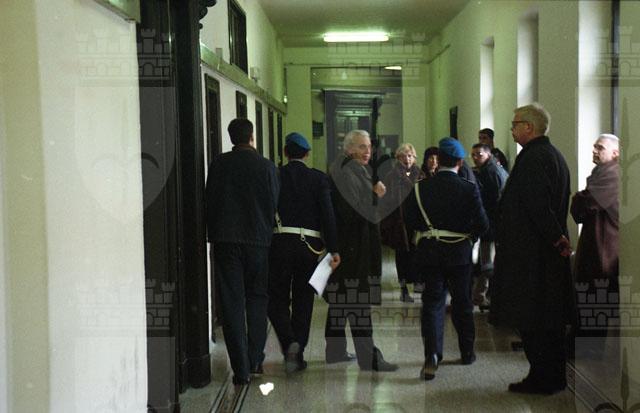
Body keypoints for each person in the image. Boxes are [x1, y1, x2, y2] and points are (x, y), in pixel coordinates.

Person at [491, 103, 572, 395]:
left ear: (529, 127)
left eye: (515, 124)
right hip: (541, 254)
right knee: (548, 322)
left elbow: (538, 206)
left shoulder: (534, 158)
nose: (511, 129)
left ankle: (543, 378)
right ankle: (552, 377)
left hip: (532, 257)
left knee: (533, 321)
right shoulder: (551, 155)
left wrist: (555, 237)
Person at [405, 137, 489, 381]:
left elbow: (410, 220)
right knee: (462, 303)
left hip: (429, 253)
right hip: (460, 253)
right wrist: (468, 237)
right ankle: (467, 351)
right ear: (460, 163)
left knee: (432, 303)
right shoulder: (469, 188)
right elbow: (483, 225)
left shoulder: (419, 188)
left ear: (438, 160)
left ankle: (432, 355)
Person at [206, 118, 279, 386]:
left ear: (231, 138)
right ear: (252, 137)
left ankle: (241, 369)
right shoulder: (266, 166)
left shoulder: (219, 164)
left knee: (232, 302)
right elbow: (273, 201)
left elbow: (210, 200)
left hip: (226, 241)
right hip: (258, 241)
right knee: (257, 297)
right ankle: (255, 357)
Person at [324, 129, 398, 372]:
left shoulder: (352, 169)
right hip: (354, 249)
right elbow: (351, 212)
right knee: (358, 303)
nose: (367, 151)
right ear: (348, 149)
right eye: (361, 147)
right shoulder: (346, 173)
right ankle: (369, 359)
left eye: (369, 147)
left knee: (341, 299)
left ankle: (335, 351)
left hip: (351, 247)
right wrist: (375, 195)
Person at [268, 132, 341, 373]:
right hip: (309, 247)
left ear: (285, 152)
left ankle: (288, 340)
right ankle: (297, 352)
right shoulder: (318, 179)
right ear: (307, 154)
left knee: (276, 298)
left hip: (279, 244)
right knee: (304, 299)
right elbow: (328, 215)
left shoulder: (275, 175)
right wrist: (334, 248)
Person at [570, 134, 620, 351]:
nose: (594, 151)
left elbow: (585, 203)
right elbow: (580, 209)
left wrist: (579, 197)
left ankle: (588, 350)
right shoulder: (601, 174)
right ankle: (584, 347)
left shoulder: (613, 175)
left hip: (604, 247)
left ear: (615, 153)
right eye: (594, 147)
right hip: (596, 243)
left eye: (600, 148)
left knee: (596, 296)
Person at [380, 143, 425, 302]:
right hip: (399, 221)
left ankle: (418, 283)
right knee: (402, 256)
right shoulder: (391, 176)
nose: (407, 159)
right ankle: (403, 288)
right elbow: (385, 201)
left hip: (417, 220)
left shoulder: (420, 174)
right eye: (403, 156)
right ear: (398, 158)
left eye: (410, 156)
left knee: (418, 253)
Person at [470, 143, 508, 308]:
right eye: (473, 155)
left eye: (479, 154)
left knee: (487, 263)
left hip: (492, 226)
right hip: (494, 225)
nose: (475, 158)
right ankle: (482, 296)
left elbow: (492, 202)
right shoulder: (493, 169)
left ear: (488, 154)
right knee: (487, 261)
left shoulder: (490, 172)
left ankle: (481, 296)